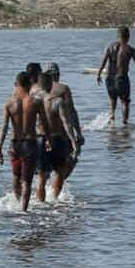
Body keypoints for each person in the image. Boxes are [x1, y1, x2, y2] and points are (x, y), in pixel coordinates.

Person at [0, 72, 50, 212]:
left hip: (14, 143)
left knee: (15, 177)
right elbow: (45, 123)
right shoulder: (35, 102)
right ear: (29, 84)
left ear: (17, 84)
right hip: (30, 144)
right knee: (27, 181)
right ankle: (23, 211)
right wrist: (48, 139)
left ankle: (18, 202)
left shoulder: (9, 102)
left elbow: (4, 127)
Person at [35, 71, 81, 202]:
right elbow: (66, 122)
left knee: (41, 176)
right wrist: (73, 140)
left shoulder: (33, 99)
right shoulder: (58, 100)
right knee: (60, 172)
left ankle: (40, 204)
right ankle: (53, 200)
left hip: (39, 139)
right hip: (57, 139)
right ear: (50, 84)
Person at [95, 26, 135, 124]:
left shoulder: (110, 47)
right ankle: (124, 125)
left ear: (117, 35)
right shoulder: (130, 50)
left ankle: (112, 121)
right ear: (128, 36)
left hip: (109, 79)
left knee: (112, 100)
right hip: (121, 79)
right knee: (125, 102)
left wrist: (98, 74)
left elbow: (103, 62)